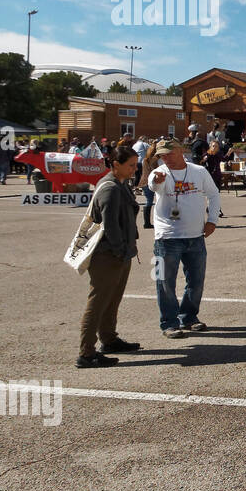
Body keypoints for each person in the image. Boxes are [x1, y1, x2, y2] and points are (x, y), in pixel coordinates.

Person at [148, 138, 221, 338]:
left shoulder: (198, 171)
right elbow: (153, 185)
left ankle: (188, 317)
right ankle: (169, 323)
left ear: (181, 151)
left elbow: (214, 195)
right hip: (166, 239)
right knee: (163, 281)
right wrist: (157, 182)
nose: (166, 158)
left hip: (196, 237)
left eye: (170, 153)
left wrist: (212, 220)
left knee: (196, 281)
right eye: (162, 155)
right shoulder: (159, 172)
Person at [77, 143, 142, 368]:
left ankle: (109, 339)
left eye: (136, 164)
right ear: (116, 165)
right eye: (131, 165)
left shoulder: (121, 184)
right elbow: (111, 225)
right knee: (98, 302)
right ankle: (86, 353)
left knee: (112, 300)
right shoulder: (110, 188)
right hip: (108, 255)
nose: (135, 169)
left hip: (120, 253)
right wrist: (119, 251)